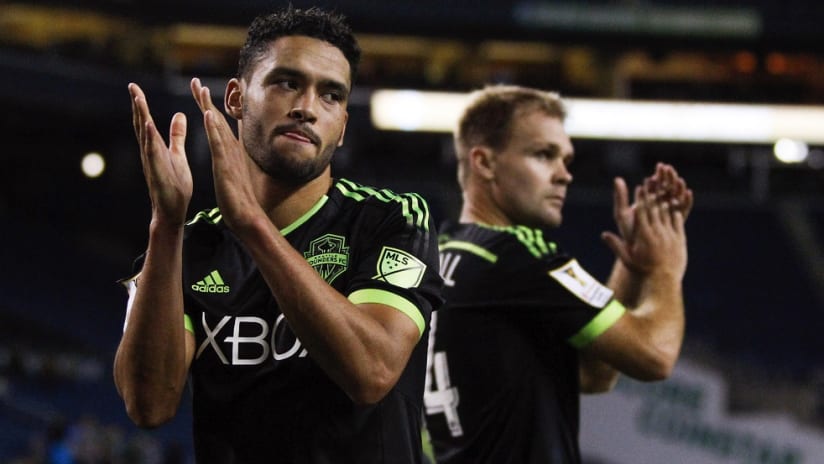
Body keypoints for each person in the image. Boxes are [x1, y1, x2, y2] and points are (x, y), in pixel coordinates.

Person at [113, 7, 443, 464]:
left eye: (331, 95)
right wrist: (165, 227)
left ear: (342, 127)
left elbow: (372, 371)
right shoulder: (187, 246)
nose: (306, 107)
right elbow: (148, 405)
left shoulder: (389, 218)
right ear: (236, 97)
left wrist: (252, 225)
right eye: (286, 82)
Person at [422, 85, 692, 463]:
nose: (564, 175)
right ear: (484, 163)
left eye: (566, 159)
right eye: (544, 154)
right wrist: (665, 268)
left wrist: (632, 269)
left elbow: (593, 375)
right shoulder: (516, 253)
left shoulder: (443, 252)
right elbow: (655, 355)